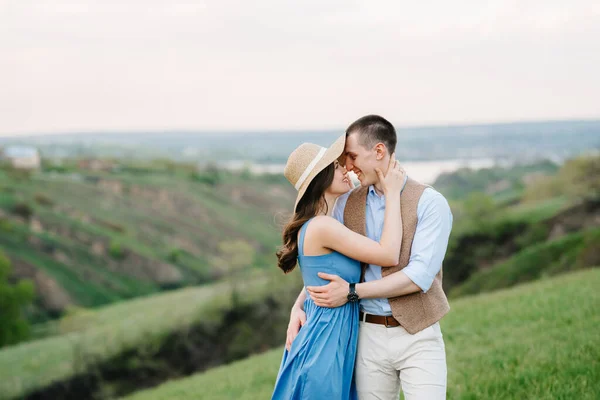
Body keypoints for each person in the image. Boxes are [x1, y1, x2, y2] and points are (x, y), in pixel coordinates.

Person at [287, 115, 453, 400]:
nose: (349, 166)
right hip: (367, 336)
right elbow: (329, 263)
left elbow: (419, 277)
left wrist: (352, 292)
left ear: (378, 152)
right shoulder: (346, 203)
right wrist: (298, 305)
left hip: (418, 335)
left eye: (352, 156)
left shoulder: (430, 203)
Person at [271, 133, 407, 400]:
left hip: (331, 330)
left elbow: (318, 278)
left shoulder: (325, 222)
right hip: (326, 336)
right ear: (320, 179)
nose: (345, 168)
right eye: (336, 166)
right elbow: (388, 254)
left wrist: (296, 306)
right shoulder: (323, 227)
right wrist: (392, 194)